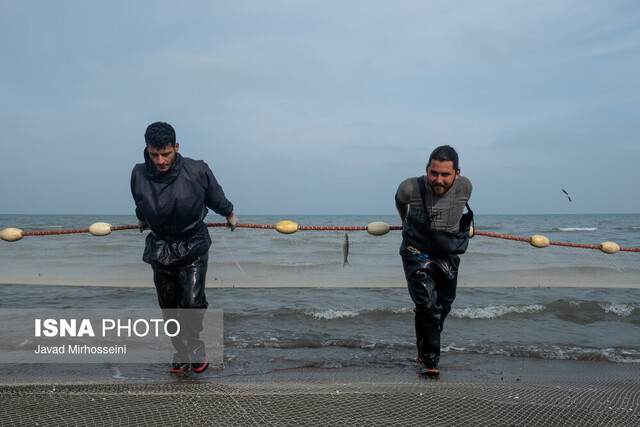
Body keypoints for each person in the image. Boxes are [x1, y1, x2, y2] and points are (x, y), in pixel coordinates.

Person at [130, 121, 238, 374]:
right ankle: (180, 351)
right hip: (160, 245)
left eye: (166, 154)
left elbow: (216, 197)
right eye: (154, 154)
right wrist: (142, 218)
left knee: (191, 302)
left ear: (176, 147)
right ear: (147, 148)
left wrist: (229, 214)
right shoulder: (137, 173)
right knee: (169, 307)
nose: (160, 160)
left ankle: (196, 346)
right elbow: (139, 198)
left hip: (193, 242)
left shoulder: (197, 170)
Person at [395, 145, 473, 376]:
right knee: (427, 305)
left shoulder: (466, 187)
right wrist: (404, 222)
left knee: (444, 305)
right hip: (415, 251)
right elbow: (400, 202)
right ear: (427, 169)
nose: (439, 180)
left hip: (448, 254)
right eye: (434, 173)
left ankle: (425, 344)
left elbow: (458, 211)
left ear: (457, 174)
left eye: (445, 175)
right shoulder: (409, 187)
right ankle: (429, 361)